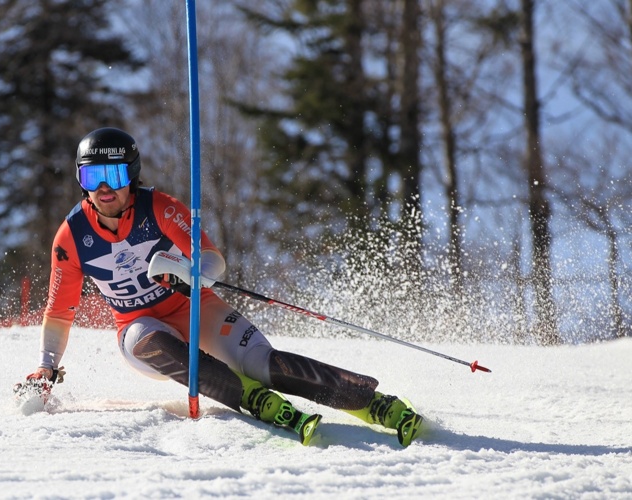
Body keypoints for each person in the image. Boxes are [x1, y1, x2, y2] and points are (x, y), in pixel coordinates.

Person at [24, 128, 422, 446]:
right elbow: (60, 311)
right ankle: (253, 400)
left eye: (114, 175)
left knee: (261, 362)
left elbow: (213, 261)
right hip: (140, 327)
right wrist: (46, 366)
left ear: (133, 174)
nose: (104, 188)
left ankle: (375, 405)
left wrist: (190, 272)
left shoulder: (161, 209)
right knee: (148, 340)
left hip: (196, 307)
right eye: (92, 176)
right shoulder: (71, 237)